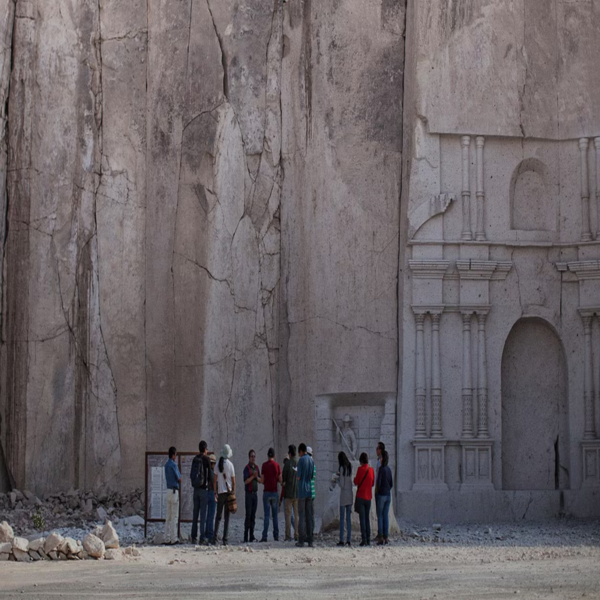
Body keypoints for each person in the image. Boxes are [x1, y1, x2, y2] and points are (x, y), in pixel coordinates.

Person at [212, 444, 235, 546]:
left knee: (218, 517)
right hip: (228, 493)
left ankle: (215, 538)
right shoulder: (230, 465)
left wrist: (215, 492)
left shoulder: (217, 464)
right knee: (227, 517)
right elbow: (233, 482)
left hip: (220, 493)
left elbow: (215, 480)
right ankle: (225, 539)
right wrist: (233, 492)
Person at [190, 440, 211, 545]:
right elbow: (210, 476)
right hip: (203, 490)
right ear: (205, 449)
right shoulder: (207, 459)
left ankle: (193, 537)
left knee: (195, 514)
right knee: (203, 515)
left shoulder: (195, 459)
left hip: (195, 489)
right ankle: (202, 537)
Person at [330, 451, 353, 547]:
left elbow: (342, 484)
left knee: (342, 518)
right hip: (350, 494)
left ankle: (341, 539)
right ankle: (349, 539)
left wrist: (336, 479)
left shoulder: (342, 467)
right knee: (348, 518)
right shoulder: (350, 466)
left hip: (344, 495)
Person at [260, 447, 282, 542]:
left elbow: (262, 480)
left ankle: (264, 536)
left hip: (266, 492)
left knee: (266, 516)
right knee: (275, 516)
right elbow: (280, 480)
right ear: (274, 455)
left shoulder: (264, 465)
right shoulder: (277, 466)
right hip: (274, 492)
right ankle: (276, 535)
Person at [296, 443, 315, 548]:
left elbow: (298, 477)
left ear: (301, 451)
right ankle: (310, 540)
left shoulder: (301, 460)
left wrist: (297, 474)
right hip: (309, 491)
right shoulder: (311, 461)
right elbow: (311, 476)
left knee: (302, 516)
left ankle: (301, 540)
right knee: (309, 516)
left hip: (302, 491)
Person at [354, 452, 374, 546]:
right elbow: (373, 483)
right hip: (368, 497)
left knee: (362, 519)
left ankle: (364, 539)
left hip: (361, 497)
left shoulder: (359, 469)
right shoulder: (371, 470)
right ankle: (369, 538)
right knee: (367, 518)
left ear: (361, 460)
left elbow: (356, 481)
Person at [164, 446, 181, 545]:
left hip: (168, 490)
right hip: (174, 491)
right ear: (174, 455)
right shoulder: (174, 465)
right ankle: (174, 538)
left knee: (168, 516)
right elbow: (179, 478)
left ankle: (166, 538)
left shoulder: (166, 465)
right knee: (174, 516)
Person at [281, 445, 298, 542]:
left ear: (289, 453)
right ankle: (297, 534)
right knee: (296, 516)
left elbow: (283, 479)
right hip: (297, 493)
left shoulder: (287, 464)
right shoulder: (299, 462)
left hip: (288, 493)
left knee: (288, 516)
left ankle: (288, 536)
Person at [375, 450, 393, 545]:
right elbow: (391, 483)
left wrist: (377, 491)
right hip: (388, 495)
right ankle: (386, 537)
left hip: (381, 494)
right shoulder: (389, 469)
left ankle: (381, 537)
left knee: (380, 516)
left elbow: (378, 482)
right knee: (386, 516)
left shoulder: (381, 469)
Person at [243, 449, 261, 543]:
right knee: (248, 515)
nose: (253, 458)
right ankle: (245, 536)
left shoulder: (257, 468)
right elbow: (245, 481)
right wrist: (253, 477)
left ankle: (251, 536)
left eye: (254, 456)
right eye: (252, 456)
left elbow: (260, 480)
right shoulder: (247, 468)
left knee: (253, 516)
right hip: (249, 494)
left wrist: (256, 477)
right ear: (249, 457)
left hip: (255, 494)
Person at [205, 453, 217, 543]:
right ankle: (210, 535)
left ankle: (206, 533)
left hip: (206, 493)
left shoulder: (205, 471)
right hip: (212, 493)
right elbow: (214, 483)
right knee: (211, 515)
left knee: (208, 515)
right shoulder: (212, 472)